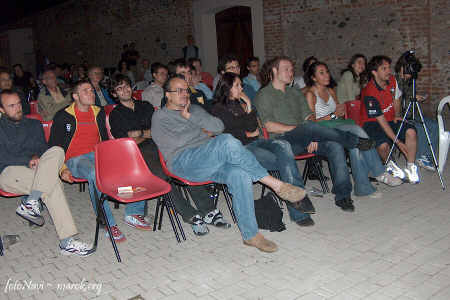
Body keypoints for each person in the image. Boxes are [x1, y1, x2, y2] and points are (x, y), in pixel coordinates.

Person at [152, 77, 308, 252]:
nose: (184, 94)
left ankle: (251, 235)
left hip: (208, 158)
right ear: (167, 95)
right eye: (178, 90)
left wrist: (192, 118)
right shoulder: (160, 116)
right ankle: (276, 184)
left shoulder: (194, 110)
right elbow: (175, 143)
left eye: (186, 90)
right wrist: (202, 134)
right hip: (183, 163)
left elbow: (218, 126)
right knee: (226, 141)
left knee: (239, 174)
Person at [109, 74, 228, 235]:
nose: (125, 90)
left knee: (185, 163)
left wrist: (139, 133)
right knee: (164, 178)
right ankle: (191, 215)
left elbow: (159, 129)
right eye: (119, 88)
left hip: (164, 144)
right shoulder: (116, 115)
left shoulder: (146, 106)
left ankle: (208, 210)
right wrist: (146, 134)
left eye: (126, 86)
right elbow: (125, 140)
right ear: (114, 94)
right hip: (138, 153)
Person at [254, 56, 377, 212]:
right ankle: (354, 141)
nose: (291, 72)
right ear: (274, 71)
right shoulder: (264, 95)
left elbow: (309, 118)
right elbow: (268, 126)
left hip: (305, 137)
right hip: (280, 142)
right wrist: (302, 131)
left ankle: (343, 196)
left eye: (292, 69)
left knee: (334, 145)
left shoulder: (294, 92)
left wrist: (310, 135)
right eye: (286, 69)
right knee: (310, 129)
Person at [49, 79, 150, 243]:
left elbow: (103, 139)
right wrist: (62, 169)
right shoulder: (63, 116)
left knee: (133, 163)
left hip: (98, 155)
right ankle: (107, 224)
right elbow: (54, 147)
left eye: (91, 90)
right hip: (75, 159)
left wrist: (113, 158)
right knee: (94, 173)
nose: (91, 93)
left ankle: (133, 212)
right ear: (75, 96)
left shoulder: (98, 111)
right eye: (85, 91)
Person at [210, 72, 316, 226]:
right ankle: (298, 207)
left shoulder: (241, 105)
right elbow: (230, 132)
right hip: (241, 149)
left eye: (241, 85)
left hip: (255, 142)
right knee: (283, 161)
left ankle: (298, 198)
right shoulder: (218, 108)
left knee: (283, 145)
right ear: (227, 88)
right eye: (237, 85)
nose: (241, 88)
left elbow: (252, 127)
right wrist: (247, 131)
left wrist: (249, 106)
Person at [0, 90, 92, 256]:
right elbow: (4, 156)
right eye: (11, 106)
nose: (18, 108)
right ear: (1, 109)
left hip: (36, 170)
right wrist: (28, 160)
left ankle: (32, 201)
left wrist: (37, 157)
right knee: (53, 183)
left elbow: (43, 149)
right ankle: (67, 241)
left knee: (57, 150)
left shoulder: (33, 124)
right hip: (8, 172)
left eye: (19, 103)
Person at [304, 61, 402, 195]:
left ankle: (363, 189)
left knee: (355, 145)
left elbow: (339, 113)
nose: (327, 75)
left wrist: (340, 111)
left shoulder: (331, 91)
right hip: (321, 131)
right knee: (357, 131)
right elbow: (312, 122)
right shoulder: (310, 94)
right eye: (322, 73)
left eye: (327, 71)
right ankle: (379, 172)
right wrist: (333, 116)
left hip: (337, 127)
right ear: (313, 78)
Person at [360, 55, 420, 184]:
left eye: (389, 68)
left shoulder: (392, 80)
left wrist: (397, 115)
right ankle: (390, 164)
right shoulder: (369, 92)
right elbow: (381, 121)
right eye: (384, 68)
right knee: (383, 145)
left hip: (389, 118)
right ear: (374, 72)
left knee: (411, 132)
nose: (389, 71)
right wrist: (398, 142)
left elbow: (396, 98)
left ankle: (411, 167)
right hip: (372, 123)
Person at [394, 53, 438, 171]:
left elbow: (410, 99)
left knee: (433, 125)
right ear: (402, 67)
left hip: (412, 113)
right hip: (401, 116)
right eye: (409, 71)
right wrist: (412, 98)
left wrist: (416, 97)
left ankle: (426, 155)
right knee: (418, 127)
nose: (410, 75)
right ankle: (419, 157)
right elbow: (397, 101)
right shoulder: (394, 80)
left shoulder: (410, 81)